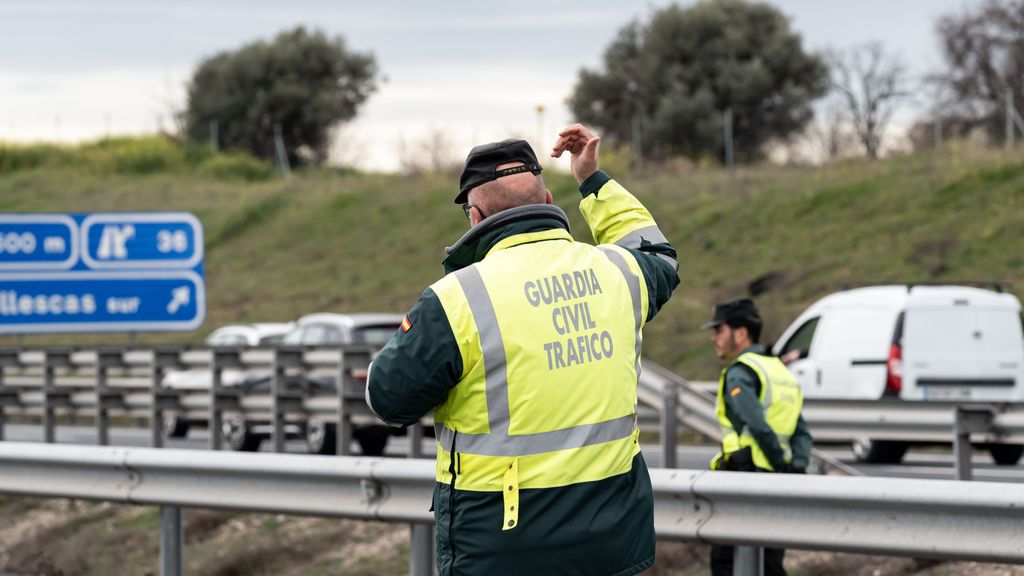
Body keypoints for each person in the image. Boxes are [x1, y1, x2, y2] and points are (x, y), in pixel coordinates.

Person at [366, 124, 679, 576]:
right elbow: (658, 255)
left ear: (474, 218)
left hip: (503, 547)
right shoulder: (618, 273)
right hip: (610, 543)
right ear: (549, 203)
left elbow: (388, 400)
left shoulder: (458, 299)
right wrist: (593, 181)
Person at [703, 298, 813, 576]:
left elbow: (757, 423)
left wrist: (776, 460)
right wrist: (795, 466)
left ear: (740, 333)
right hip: (780, 480)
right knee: (770, 561)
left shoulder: (741, 373)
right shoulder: (780, 372)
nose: (714, 338)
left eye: (719, 330)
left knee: (727, 562)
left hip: (745, 478)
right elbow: (801, 432)